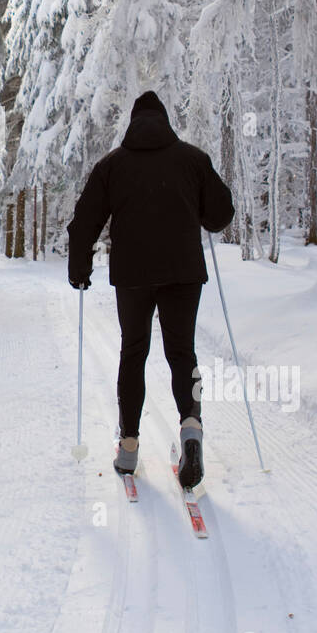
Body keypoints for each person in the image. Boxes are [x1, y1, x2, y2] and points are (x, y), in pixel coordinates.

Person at [66, 90, 234, 488]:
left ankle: (128, 447)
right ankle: (191, 428)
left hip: (133, 275)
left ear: (133, 123)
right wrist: (203, 214)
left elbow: (84, 220)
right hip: (183, 272)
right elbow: (222, 211)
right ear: (165, 121)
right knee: (182, 352)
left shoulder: (113, 166)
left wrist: (80, 269)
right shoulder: (193, 159)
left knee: (133, 352)